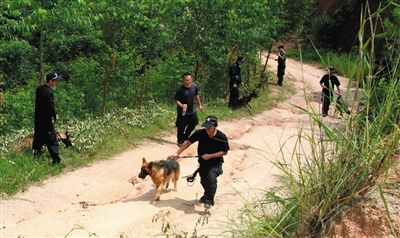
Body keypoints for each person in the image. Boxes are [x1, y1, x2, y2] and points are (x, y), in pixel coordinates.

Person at [172, 115, 230, 209]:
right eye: (206, 126)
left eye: (209, 127)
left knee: (211, 178)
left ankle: (209, 201)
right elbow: (188, 143)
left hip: (216, 162)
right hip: (203, 162)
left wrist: (210, 156)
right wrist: (177, 153)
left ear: (215, 126)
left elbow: (225, 152)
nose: (207, 128)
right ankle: (206, 195)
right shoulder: (200, 133)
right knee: (204, 180)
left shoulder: (221, 136)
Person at [32, 72, 65, 167]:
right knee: (52, 139)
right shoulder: (49, 92)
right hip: (46, 120)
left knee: (39, 137)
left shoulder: (39, 89)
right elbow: (50, 106)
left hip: (38, 119)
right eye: (55, 81)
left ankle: (35, 156)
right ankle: (56, 161)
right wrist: (55, 115)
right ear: (51, 81)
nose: (56, 83)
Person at [174, 72, 203, 147]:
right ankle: (180, 140)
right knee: (181, 126)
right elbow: (176, 100)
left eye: (189, 80)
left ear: (191, 79)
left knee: (194, 123)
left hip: (192, 110)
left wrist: (200, 104)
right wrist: (181, 105)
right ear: (183, 80)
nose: (187, 82)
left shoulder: (194, 86)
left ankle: (185, 136)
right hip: (182, 112)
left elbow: (196, 95)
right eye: (186, 80)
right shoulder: (180, 89)